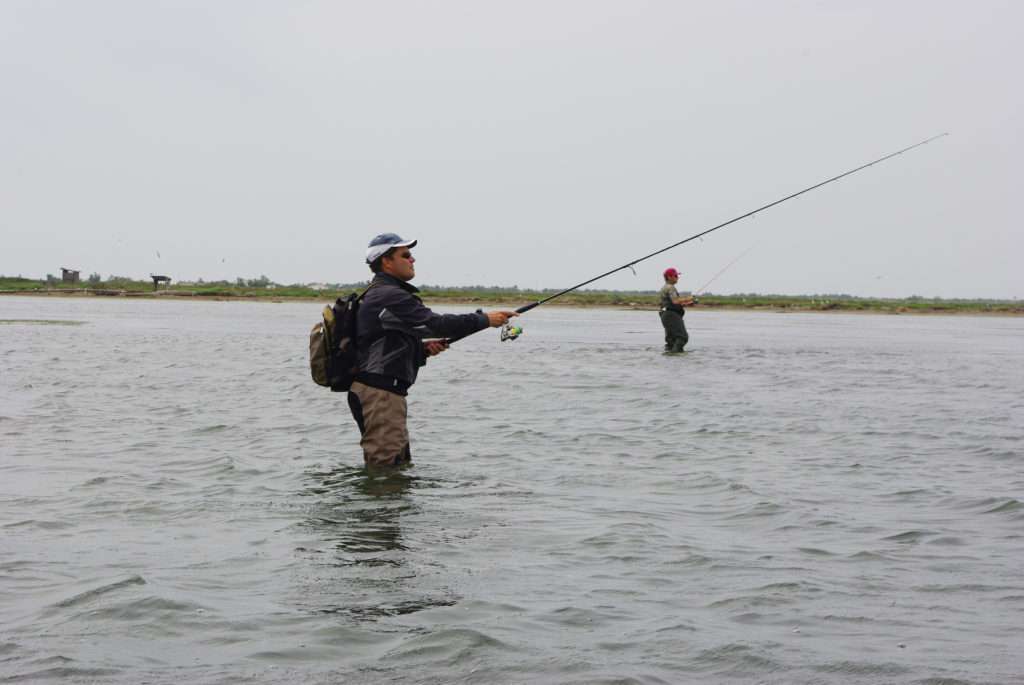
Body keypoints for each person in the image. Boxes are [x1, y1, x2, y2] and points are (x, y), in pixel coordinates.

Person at [347, 233, 517, 468]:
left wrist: (421, 350)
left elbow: (382, 341)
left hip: (379, 392)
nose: (412, 259)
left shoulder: (381, 294)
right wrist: (484, 319)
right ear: (386, 261)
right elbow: (435, 324)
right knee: (386, 470)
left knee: (397, 466)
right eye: (405, 255)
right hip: (380, 395)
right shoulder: (389, 295)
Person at [659, 267, 694, 353]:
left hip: (666, 314)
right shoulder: (670, 287)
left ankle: (669, 359)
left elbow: (673, 303)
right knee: (682, 337)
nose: (677, 278)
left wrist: (688, 303)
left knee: (671, 340)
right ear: (669, 277)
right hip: (671, 315)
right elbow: (675, 301)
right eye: (675, 276)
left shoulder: (665, 287)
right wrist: (688, 298)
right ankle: (676, 355)